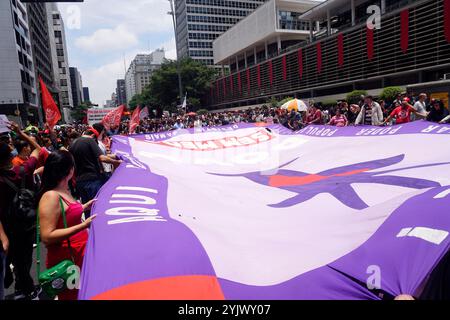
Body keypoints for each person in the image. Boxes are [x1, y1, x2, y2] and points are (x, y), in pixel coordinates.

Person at [38, 150, 96, 300]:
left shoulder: (63, 190)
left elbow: (66, 214)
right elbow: (47, 236)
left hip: (78, 255)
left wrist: (83, 207)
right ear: (69, 170)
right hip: (67, 259)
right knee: (72, 296)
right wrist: (83, 226)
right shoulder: (51, 196)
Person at [0, 122, 41, 300]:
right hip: (27, 222)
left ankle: (19, 285)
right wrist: (20, 133)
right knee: (24, 257)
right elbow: (38, 149)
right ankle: (28, 289)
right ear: (11, 156)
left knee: (17, 257)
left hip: (7, 226)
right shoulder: (24, 169)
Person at [69, 126, 122, 208]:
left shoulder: (72, 144)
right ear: (93, 136)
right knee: (97, 206)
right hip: (93, 180)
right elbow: (101, 157)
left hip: (80, 182)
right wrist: (116, 162)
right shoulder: (89, 140)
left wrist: (115, 156)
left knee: (87, 207)